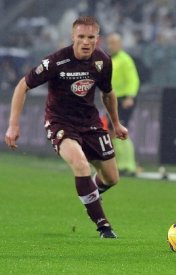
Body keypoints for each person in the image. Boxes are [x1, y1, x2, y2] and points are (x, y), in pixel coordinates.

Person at [4, 16, 128, 238]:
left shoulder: (102, 61)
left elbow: (107, 93)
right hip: (60, 122)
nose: (86, 42)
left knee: (112, 178)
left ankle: (88, 193)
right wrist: (13, 125)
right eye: (81, 37)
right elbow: (23, 85)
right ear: (73, 37)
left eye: (91, 37)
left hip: (90, 122)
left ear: (97, 39)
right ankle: (103, 226)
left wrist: (116, 123)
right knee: (81, 165)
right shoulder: (56, 61)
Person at [106, 33, 140, 176]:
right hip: (114, 100)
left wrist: (130, 97)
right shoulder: (111, 60)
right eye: (109, 43)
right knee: (113, 132)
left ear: (120, 44)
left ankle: (129, 165)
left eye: (113, 43)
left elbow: (133, 79)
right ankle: (122, 164)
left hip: (124, 99)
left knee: (119, 131)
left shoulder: (125, 60)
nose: (110, 46)